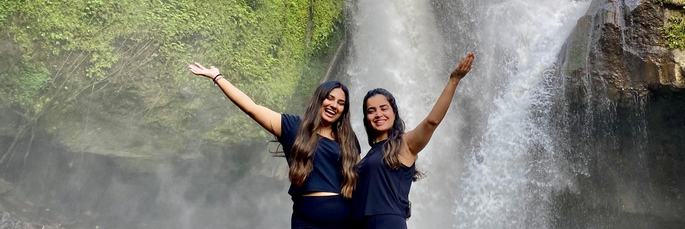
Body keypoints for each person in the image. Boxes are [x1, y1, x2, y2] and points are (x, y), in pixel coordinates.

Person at [188, 63, 360, 229]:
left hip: (342, 218)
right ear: (318, 100)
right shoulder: (293, 127)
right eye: (329, 98)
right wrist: (217, 77)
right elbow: (251, 108)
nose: (334, 105)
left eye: (340, 103)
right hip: (305, 219)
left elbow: (362, 180)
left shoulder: (348, 139)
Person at [352, 52, 475, 229]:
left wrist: (453, 81)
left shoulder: (405, 143)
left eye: (384, 108)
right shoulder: (368, 155)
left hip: (386, 223)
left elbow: (432, 121)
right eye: (371, 111)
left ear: (394, 113)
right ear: (366, 118)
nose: (378, 114)